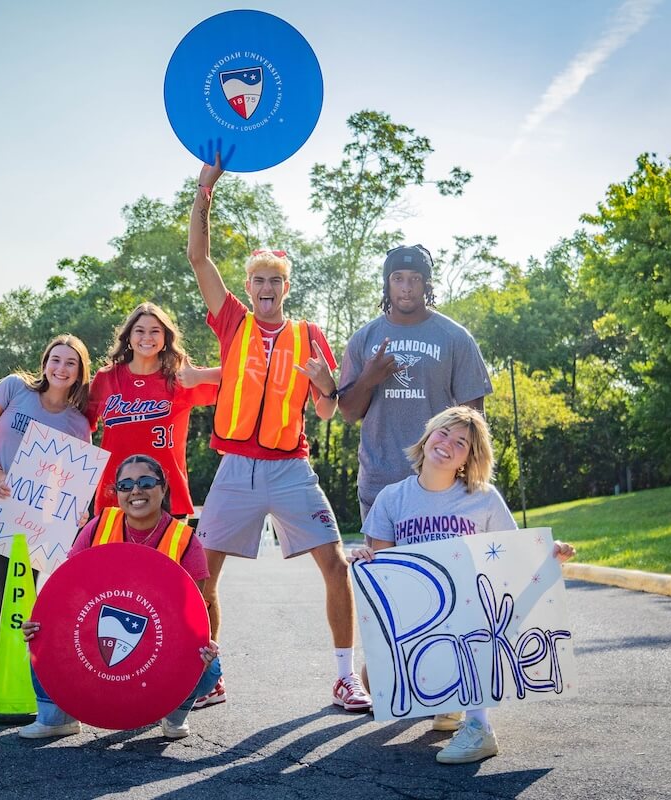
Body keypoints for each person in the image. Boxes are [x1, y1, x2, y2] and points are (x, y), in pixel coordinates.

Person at [186, 155, 370, 713]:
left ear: (286, 287)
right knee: (200, 573)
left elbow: (326, 414)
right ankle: (207, 673)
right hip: (236, 469)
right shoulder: (234, 321)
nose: (266, 288)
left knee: (336, 566)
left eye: (275, 281)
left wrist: (325, 385)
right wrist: (205, 188)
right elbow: (198, 257)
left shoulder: (310, 334)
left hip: (291, 469)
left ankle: (344, 678)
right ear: (249, 286)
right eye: (258, 280)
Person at [349, 406, 575, 764]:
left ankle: (480, 727)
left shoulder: (483, 498)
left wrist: (551, 553)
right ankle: (448, 699)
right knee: (373, 676)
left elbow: (515, 556)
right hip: (422, 615)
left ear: (469, 458)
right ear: (427, 437)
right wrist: (367, 559)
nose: (448, 444)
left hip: (474, 614)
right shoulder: (392, 498)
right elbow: (388, 577)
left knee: (474, 613)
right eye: (443, 433)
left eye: (461, 443)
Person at [18, 454, 221, 740]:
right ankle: (56, 718)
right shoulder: (99, 526)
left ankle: (173, 714)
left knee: (209, 664)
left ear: (163, 489)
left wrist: (203, 646)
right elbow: (67, 589)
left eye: (146, 482)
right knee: (41, 632)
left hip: (159, 643)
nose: (136, 490)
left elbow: (191, 618)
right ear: (117, 494)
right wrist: (41, 623)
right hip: (94, 632)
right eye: (125, 485)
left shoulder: (185, 541)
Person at [339, 245, 492, 520]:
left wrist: (469, 478)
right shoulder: (364, 338)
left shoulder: (455, 338)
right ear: (387, 284)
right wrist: (368, 380)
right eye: (398, 278)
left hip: (439, 482)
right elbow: (348, 413)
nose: (406, 287)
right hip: (379, 482)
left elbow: (474, 419)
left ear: (427, 285)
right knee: (385, 563)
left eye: (415, 279)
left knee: (441, 564)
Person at [0, 334, 92, 607]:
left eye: (70, 363)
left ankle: (24, 649)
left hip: (38, 514)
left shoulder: (79, 423)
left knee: (24, 589)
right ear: (45, 363)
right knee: (7, 586)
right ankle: (17, 649)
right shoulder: (14, 388)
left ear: (80, 372)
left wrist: (78, 509)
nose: (61, 368)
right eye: (55, 360)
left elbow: (78, 478)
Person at [88, 302, 219, 518]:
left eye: (155, 331)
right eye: (139, 331)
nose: (147, 337)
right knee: (115, 553)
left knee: (168, 554)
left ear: (165, 337)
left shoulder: (181, 378)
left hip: (169, 497)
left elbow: (238, 379)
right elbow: (79, 428)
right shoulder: (106, 378)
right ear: (128, 337)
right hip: (115, 497)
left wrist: (201, 376)